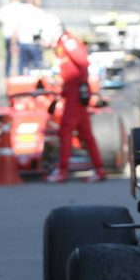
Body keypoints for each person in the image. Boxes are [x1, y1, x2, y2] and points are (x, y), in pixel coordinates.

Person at [45, 25, 106, 184]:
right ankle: (99, 169)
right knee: (86, 133)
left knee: (65, 130)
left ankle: (62, 170)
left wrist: (81, 86)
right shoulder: (63, 44)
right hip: (73, 92)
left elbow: (82, 62)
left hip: (75, 94)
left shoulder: (67, 41)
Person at [0, 0, 25, 77]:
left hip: (8, 35)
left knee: (9, 56)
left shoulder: (5, 8)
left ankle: (7, 74)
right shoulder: (23, 8)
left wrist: (1, 24)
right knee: (20, 56)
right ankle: (20, 73)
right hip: (20, 36)